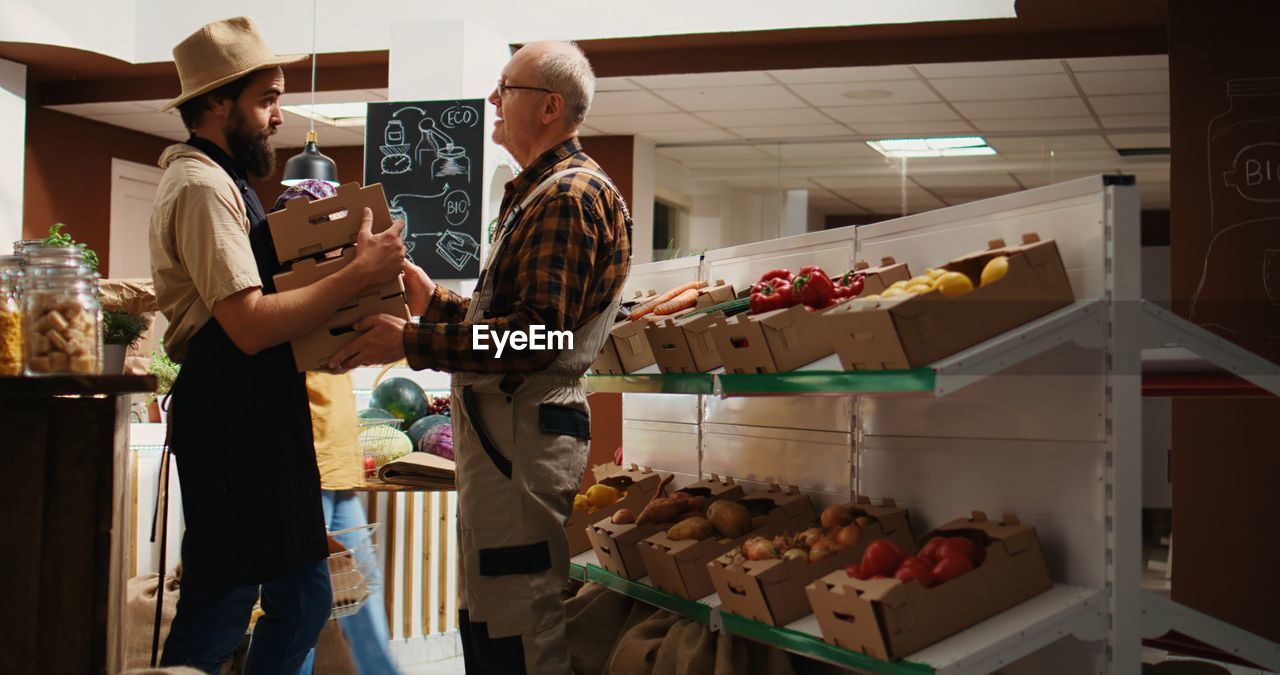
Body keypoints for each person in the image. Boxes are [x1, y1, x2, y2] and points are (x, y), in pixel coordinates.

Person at [328, 41, 632, 673]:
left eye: (506, 88)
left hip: (523, 441)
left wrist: (409, 342)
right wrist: (432, 301)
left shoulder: (567, 197)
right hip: (506, 438)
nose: (492, 100)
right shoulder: (537, 192)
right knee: (492, 616)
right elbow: (518, 326)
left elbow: (537, 339)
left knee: (521, 627)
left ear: (549, 107)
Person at [148, 17, 405, 673]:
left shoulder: (229, 183)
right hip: (231, 423)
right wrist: (360, 273)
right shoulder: (202, 187)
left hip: (259, 415)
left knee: (305, 595)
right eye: (266, 100)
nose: (277, 117)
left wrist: (341, 337)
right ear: (215, 103)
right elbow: (251, 323)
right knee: (224, 599)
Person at [272, 180, 402, 675]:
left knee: (352, 595)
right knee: (313, 600)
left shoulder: (335, 289)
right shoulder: (296, 294)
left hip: (337, 462)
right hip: (309, 464)